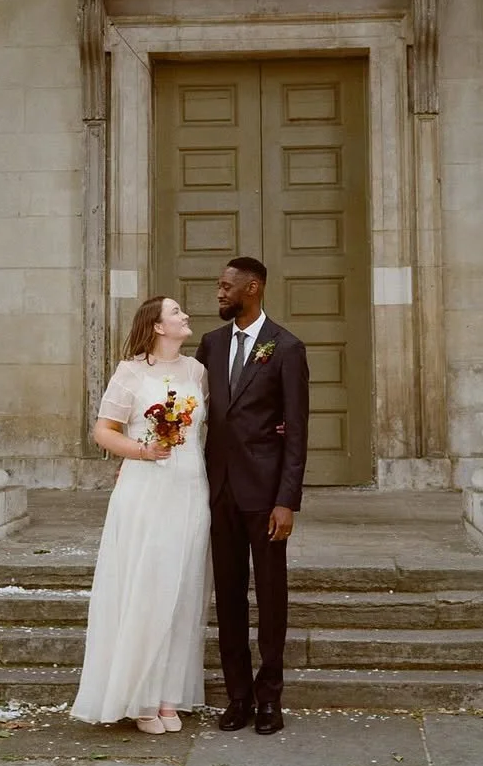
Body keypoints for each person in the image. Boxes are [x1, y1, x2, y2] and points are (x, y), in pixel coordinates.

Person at [71, 295, 210, 734]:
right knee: (148, 586)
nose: (184, 316)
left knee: (184, 589)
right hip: (146, 488)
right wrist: (142, 451)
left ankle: (170, 697)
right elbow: (103, 431)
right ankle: (141, 697)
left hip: (190, 487)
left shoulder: (197, 372)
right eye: (175, 312)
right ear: (156, 326)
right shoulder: (130, 373)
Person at [196, 256, 309, 735]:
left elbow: (297, 431)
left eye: (226, 286)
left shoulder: (286, 348)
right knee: (228, 598)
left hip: (265, 497)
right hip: (217, 492)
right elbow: (195, 415)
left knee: (270, 596)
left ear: (253, 287)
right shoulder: (211, 344)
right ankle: (237, 695)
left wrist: (287, 500)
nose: (219, 293)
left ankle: (269, 698)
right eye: (219, 286)